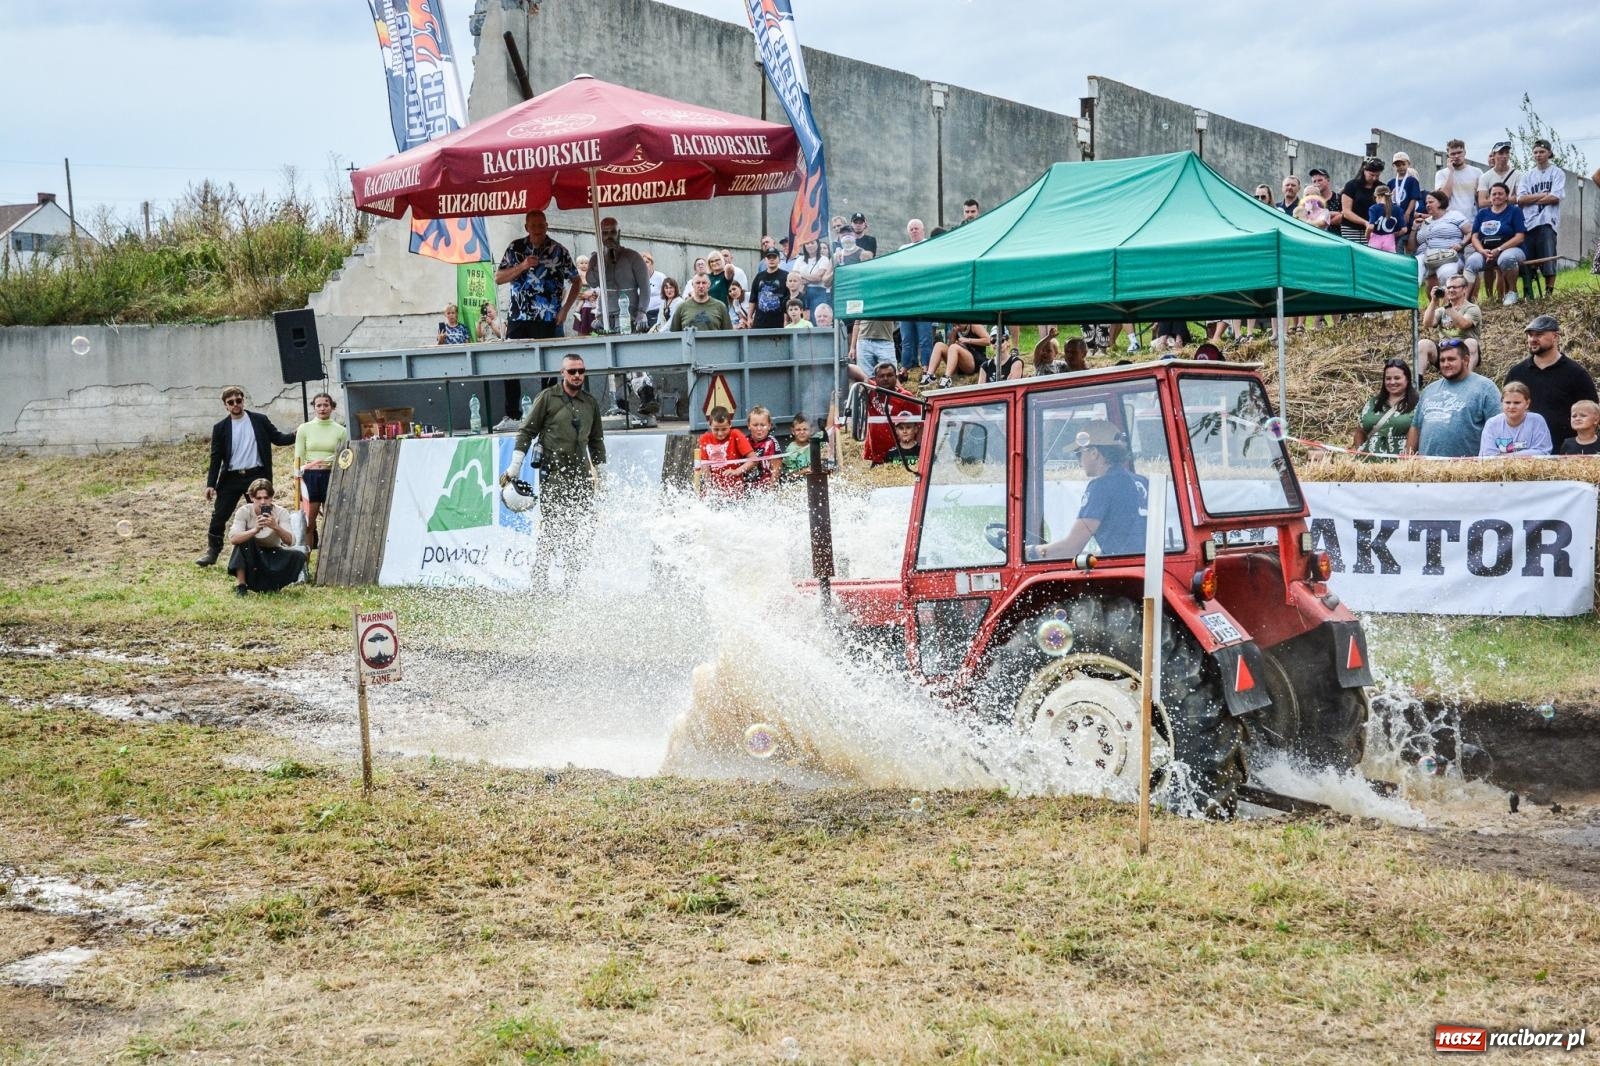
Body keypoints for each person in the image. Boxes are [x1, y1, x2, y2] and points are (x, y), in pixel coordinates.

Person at [500, 353, 606, 591]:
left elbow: (596, 440)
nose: (577, 375)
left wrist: (602, 473)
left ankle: (571, 581)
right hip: (554, 472)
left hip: (581, 473)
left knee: (582, 527)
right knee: (554, 526)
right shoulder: (547, 398)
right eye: (572, 371)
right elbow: (526, 431)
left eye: (581, 371)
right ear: (562, 373)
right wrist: (515, 465)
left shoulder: (590, 402)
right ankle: (540, 577)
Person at [496, 209, 580, 420]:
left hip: (548, 317)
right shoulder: (515, 248)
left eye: (541, 225)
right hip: (518, 317)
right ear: (526, 227)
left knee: (549, 366)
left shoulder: (558, 251)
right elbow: (498, 278)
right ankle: (512, 415)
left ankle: (549, 413)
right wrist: (523, 265)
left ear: (547, 226)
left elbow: (577, 281)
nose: (538, 230)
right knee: (511, 365)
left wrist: (565, 309)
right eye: (533, 226)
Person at [199, 386, 295, 567]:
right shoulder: (220, 428)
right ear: (225, 406)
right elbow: (216, 457)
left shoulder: (259, 420)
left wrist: (298, 434)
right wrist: (210, 484)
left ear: (243, 400)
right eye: (231, 402)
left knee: (263, 511)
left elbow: (278, 438)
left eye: (238, 400)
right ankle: (212, 552)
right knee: (219, 515)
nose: (236, 404)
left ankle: (268, 548)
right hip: (231, 477)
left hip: (256, 475)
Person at [1029, 421, 1148, 559]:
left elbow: (1070, 548)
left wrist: (1031, 552)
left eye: (1078, 454)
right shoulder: (1141, 481)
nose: (1079, 461)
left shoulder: (1101, 486)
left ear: (1094, 453)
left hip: (1124, 570)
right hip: (1143, 566)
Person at [1504, 314, 1599, 454]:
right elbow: (1506, 411)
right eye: (1530, 335)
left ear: (1555, 337)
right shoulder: (1517, 373)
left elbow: (1592, 412)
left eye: (1539, 334)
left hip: (1566, 451)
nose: (1533, 339)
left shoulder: (1576, 374)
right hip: (1524, 453)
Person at [1405, 345, 1501, 457]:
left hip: (1465, 469)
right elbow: (1416, 426)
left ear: (1466, 360)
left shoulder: (1485, 388)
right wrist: (1408, 458)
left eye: (1451, 359)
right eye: (1442, 360)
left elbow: (1499, 426)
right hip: (1427, 469)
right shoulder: (1430, 390)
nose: (1446, 364)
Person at [226, 478, 302, 595]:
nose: (263, 502)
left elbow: (291, 541)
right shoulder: (244, 511)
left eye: (266, 498)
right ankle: (241, 585)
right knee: (243, 541)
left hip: (273, 553)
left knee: (298, 556)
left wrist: (276, 527)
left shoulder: (281, 512)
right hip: (252, 553)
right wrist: (255, 530)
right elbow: (233, 538)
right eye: (258, 498)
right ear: (251, 498)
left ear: (271, 497)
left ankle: (274, 585)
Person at [294, 392, 348, 551]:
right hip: (310, 477)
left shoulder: (341, 430)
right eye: (319, 405)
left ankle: (332, 560)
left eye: (326, 405)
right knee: (309, 524)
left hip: (332, 476)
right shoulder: (304, 428)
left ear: (332, 407)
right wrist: (297, 480)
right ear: (314, 407)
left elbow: (344, 456)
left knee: (333, 522)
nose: (322, 408)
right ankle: (305, 561)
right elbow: (299, 456)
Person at [1514, 139, 1566, 299]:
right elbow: (1520, 199)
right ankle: (1528, 293)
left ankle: (1548, 293)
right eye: (1535, 152)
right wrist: (1543, 195)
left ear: (1549, 153)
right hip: (1528, 224)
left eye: (1542, 152)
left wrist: (1532, 198)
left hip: (1547, 222)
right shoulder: (1527, 175)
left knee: (1548, 258)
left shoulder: (1557, 172)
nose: (1538, 155)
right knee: (1527, 260)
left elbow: (1555, 197)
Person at [583, 217, 649, 332]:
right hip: (603, 318)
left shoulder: (633, 257)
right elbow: (592, 282)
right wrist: (603, 259)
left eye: (613, 232)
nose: (609, 237)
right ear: (599, 235)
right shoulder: (596, 259)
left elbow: (645, 287)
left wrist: (642, 312)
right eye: (605, 233)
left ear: (619, 233)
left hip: (629, 316)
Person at [1466, 183, 1527, 305]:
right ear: (1490, 197)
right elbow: (1474, 237)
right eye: (1494, 194)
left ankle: (1512, 292)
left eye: (1500, 194)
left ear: (1506, 197)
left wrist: (1499, 249)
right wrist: (1482, 251)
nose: (1497, 196)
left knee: (1506, 259)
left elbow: (1520, 237)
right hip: (1486, 252)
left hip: (1511, 249)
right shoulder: (1482, 213)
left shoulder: (1515, 211)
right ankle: (1464, 299)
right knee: (1472, 261)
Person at [1351, 360, 1417, 456]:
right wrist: (1360, 452)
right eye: (1388, 378)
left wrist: (1408, 459)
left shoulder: (1418, 405)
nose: (1392, 382)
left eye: (1397, 378)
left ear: (1407, 379)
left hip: (1399, 465)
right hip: (1367, 464)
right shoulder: (1372, 403)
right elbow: (1360, 431)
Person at [1417, 275, 1481, 371]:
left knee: (1471, 342)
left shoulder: (1472, 308)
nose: (1450, 290)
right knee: (1423, 343)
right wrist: (1434, 301)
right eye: (1448, 287)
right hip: (1445, 352)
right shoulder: (1442, 310)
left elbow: (1463, 324)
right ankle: (1418, 379)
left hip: (1464, 352)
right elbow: (1427, 323)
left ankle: (1467, 376)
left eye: (1455, 287)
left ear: (1464, 289)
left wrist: (1447, 305)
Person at [862, 360, 918, 464]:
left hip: (899, 456)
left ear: (896, 377)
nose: (885, 378)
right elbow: (851, 369)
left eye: (889, 375)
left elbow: (920, 425)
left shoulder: (906, 397)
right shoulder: (872, 391)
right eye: (881, 376)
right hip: (876, 454)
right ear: (875, 379)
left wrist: (917, 451)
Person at [1413, 190, 1471, 291]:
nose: (1427, 205)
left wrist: (1461, 244)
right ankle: (1411, 303)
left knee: (1446, 274)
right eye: (1426, 203)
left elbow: (1470, 232)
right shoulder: (1425, 222)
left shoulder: (1454, 215)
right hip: (1425, 257)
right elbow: (1411, 247)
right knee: (1413, 268)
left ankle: (1449, 304)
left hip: (1448, 256)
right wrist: (1414, 229)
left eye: (1431, 202)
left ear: (1440, 202)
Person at [1479, 381, 1553, 457]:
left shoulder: (1537, 421)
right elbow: (1487, 455)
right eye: (1507, 402)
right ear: (1502, 402)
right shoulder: (1492, 424)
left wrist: (1507, 456)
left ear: (1527, 403)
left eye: (1517, 403)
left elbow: (1543, 451)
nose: (1511, 407)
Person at [696, 406, 756, 500]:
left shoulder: (736, 434)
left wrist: (737, 471)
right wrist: (708, 487)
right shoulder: (704, 438)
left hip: (735, 490)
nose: (720, 433)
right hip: (714, 490)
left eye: (724, 429)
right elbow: (705, 466)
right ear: (709, 425)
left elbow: (754, 459)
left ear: (730, 424)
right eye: (716, 429)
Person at [1335, 157, 1385, 243]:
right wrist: (1365, 223)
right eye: (1371, 175)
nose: (1374, 178)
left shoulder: (1382, 188)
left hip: (1373, 230)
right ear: (1364, 171)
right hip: (1351, 229)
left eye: (1377, 175)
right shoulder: (1351, 185)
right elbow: (1346, 212)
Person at [1434, 139, 1483, 222]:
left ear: (1465, 152)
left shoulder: (1477, 172)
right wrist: (1451, 172)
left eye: (1459, 152)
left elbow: (1481, 199)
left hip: (1472, 220)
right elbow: (1443, 198)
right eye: (1453, 154)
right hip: (1449, 221)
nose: (1456, 156)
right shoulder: (1441, 174)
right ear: (1448, 155)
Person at [748, 248, 790, 329]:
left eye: (774, 257)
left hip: (779, 321)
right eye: (769, 257)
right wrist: (749, 317)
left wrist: (786, 320)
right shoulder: (759, 277)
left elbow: (788, 299)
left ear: (779, 259)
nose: (771, 260)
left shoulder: (786, 276)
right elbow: (752, 299)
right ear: (765, 260)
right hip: (760, 321)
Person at [790, 236, 833, 315]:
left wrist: (802, 274)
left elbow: (818, 277)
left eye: (812, 243)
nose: (810, 245)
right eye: (807, 243)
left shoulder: (823, 259)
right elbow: (794, 276)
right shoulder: (800, 259)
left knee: (817, 317)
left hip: (819, 292)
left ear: (817, 244)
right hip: (802, 292)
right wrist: (811, 277)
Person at [1388, 152, 1424, 242]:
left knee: (1403, 240)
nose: (1400, 167)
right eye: (1397, 165)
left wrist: (1407, 212)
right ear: (1393, 167)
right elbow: (1388, 199)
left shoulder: (1412, 181)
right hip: (1393, 216)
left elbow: (1414, 198)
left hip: (1406, 216)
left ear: (1408, 164)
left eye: (1403, 164)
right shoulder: (1391, 182)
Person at [781, 413, 831, 479]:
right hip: (799, 484)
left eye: (805, 429)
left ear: (811, 430)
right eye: (798, 430)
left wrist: (832, 405)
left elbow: (829, 428)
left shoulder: (816, 441)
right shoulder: (790, 451)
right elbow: (789, 476)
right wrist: (806, 470)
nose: (802, 432)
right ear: (793, 431)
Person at [745, 405, 782, 491]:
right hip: (749, 486)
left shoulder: (772, 442)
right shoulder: (745, 441)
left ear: (769, 426)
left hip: (767, 486)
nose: (759, 428)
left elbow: (777, 469)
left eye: (763, 425)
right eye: (755, 425)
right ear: (749, 425)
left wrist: (771, 489)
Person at [1476, 141, 1522, 210]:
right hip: (1492, 215)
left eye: (1507, 153)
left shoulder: (1518, 174)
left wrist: (1495, 200)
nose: (1504, 156)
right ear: (1493, 155)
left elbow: (1520, 198)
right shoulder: (1485, 177)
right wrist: (1507, 199)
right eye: (1501, 153)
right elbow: (1482, 202)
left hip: (1511, 214)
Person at [1366, 184, 1403, 253]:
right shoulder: (1398, 209)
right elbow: (1404, 229)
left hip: (1375, 240)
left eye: (1376, 197)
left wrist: (1367, 236)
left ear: (1378, 196)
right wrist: (1392, 235)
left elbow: (1371, 227)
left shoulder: (1373, 208)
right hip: (1390, 242)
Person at [642, 252, 666, 328]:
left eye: (647, 262)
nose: (645, 264)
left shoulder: (660, 277)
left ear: (652, 264)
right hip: (644, 314)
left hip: (658, 312)